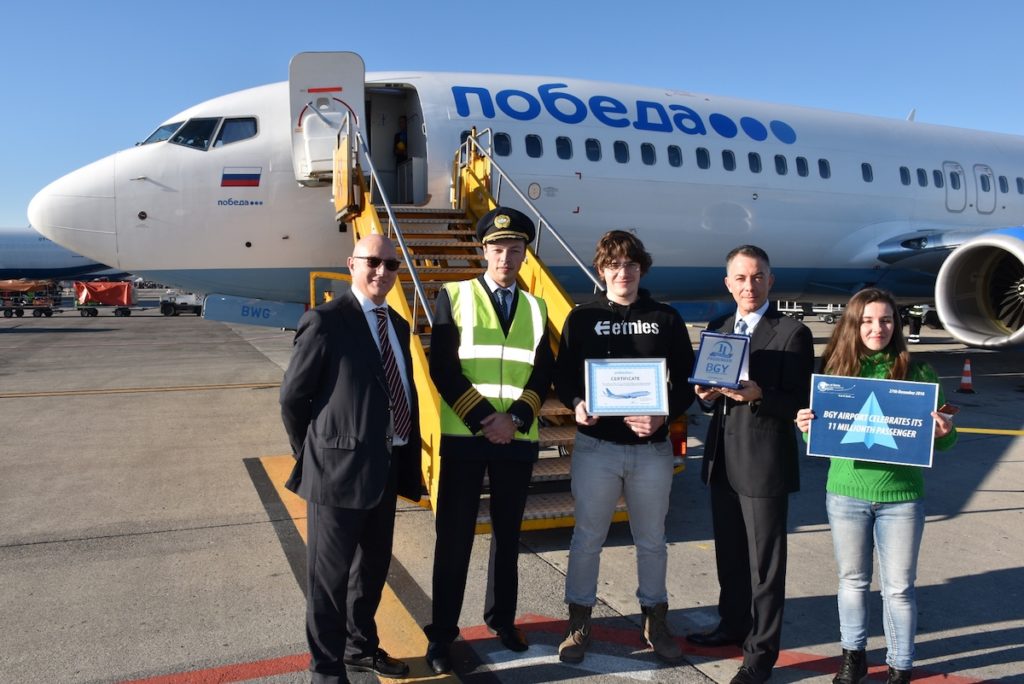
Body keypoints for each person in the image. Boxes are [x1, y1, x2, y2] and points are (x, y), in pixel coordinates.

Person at [279, 234, 422, 684]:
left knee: (372, 570)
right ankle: (325, 668)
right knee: (329, 579)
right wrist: (315, 454)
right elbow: (292, 399)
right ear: (352, 264)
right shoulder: (326, 321)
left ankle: (360, 648)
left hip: (386, 466)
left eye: (390, 265)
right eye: (372, 262)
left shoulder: (397, 324)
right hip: (336, 474)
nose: (381, 272)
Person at [795, 288, 956, 684]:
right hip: (846, 493)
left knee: (899, 588)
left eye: (885, 320)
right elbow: (821, 438)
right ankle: (854, 657)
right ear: (853, 324)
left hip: (901, 498)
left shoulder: (918, 375)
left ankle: (901, 664)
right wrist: (805, 429)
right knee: (852, 582)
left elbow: (945, 441)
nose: (877, 328)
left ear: (896, 325)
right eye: (867, 320)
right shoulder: (834, 373)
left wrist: (944, 432)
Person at [553, 230, 696, 664]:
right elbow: (564, 377)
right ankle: (579, 620)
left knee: (652, 539)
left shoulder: (666, 318)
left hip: (651, 450)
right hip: (597, 447)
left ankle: (655, 618)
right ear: (601, 270)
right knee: (587, 538)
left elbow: (687, 382)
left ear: (642, 269)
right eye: (613, 265)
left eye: (631, 265)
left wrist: (663, 414)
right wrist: (577, 403)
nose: (623, 273)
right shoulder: (581, 318)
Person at [423, 207, 554, 675]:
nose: (505, 258)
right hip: (466, 436)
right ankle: (441, 635)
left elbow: (543, 372)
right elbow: (443, 369)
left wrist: (515, 419)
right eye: (497, 249)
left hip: (516, 439)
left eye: (514, 250)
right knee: (453, 538)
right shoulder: (453, 296)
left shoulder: (538, 308)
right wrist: (486, 420)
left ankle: (502, 620)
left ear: (524, 255)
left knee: (507, 535)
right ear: (483, 251)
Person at [686, 245, 815, 684]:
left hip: (763, 464)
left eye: (757, 276)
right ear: (727, 283)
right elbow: (709, 393)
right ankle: (732, 624)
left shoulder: (791, 332)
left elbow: (800, 401)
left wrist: (761, 396)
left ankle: (760, 653)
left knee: (765, 567)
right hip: (722, 460)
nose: (748, 285)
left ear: (770, 281)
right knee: (731, 556)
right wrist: (703, 397)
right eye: (740, 278)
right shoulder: (719, 327)